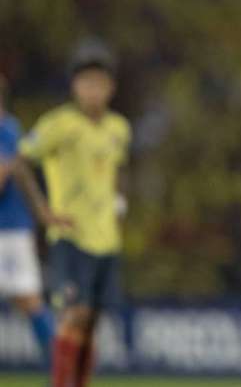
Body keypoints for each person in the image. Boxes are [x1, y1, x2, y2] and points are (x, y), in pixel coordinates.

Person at [15, 44, 131, 387]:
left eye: (99, 82)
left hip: (106, 238)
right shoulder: (59, 124)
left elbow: (120, 168)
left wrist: (120, 202)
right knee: (73, 315)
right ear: (74, 86)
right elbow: (20, 161)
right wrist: (42, 210)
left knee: (91, 322)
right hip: (71, 235)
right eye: (86, 82)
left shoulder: (118, 128)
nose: (92, 90)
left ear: (110, 87)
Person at [0, 74, 57, 367]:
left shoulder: (7, 130)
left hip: (8, 231)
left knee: (29, 299)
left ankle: (63, 370)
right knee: (28, 300)